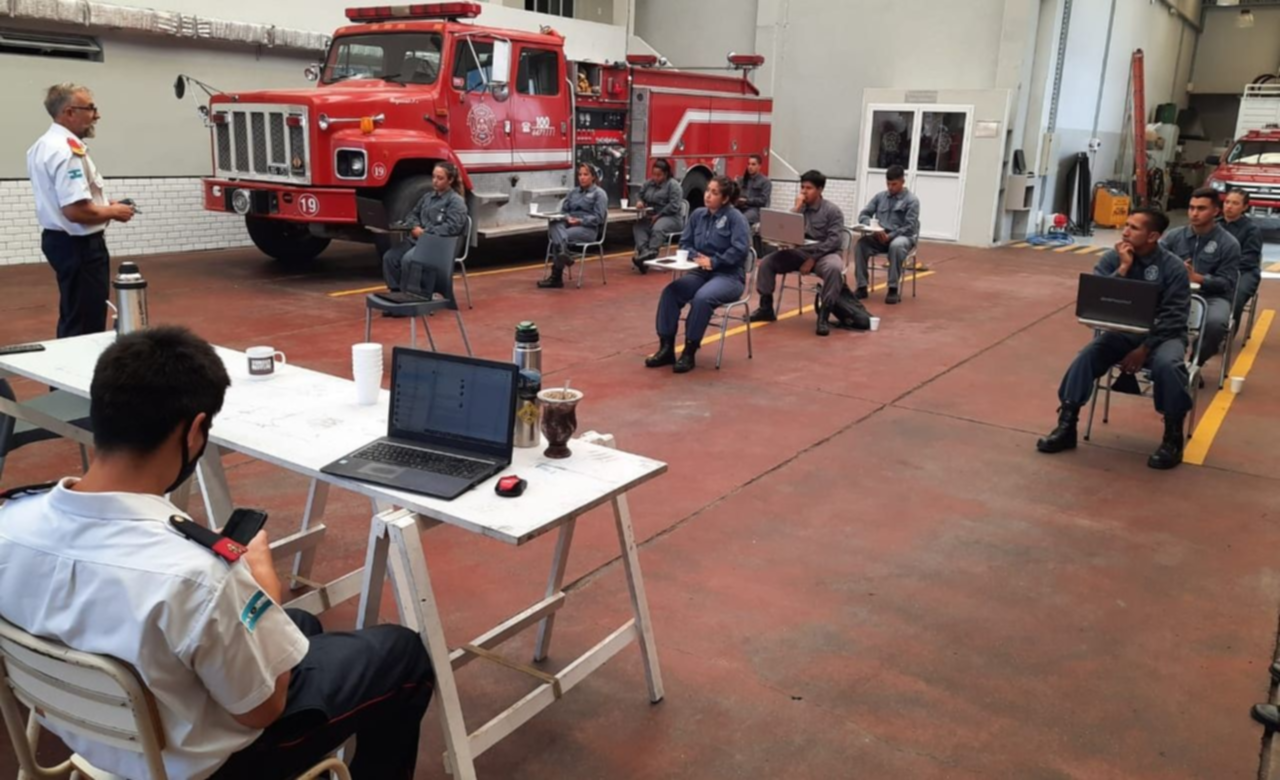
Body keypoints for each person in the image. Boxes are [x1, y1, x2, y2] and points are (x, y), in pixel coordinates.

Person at [0, 327, 434, 780]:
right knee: (402, 652)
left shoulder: (9, 523)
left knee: (302, 629)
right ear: (194, 431)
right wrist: (261, 590)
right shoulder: (197, 574)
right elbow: (263, 710)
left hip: (89, 737)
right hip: (204, 765)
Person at [1036, 208, 1192, 470]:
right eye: (1126, 225)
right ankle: (1067, 427)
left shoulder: (1172, 267)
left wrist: (1145, 348)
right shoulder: (1114, 258)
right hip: (1123, 333)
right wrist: (1122, 268)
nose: (1125, 231)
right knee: (1085, 358)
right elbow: (1098, 301)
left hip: (1163, 336)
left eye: (1134, 227)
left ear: (1153, 235)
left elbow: (1175, 317)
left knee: (1169, 365)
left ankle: (1172, 439)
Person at [26, 83, 134, 339]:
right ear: (69, 112)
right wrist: (114, 212)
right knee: (85, 326)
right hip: (80, 247)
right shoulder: (67, 151)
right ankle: (76, 377)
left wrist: (104, 207)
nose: (96, 115)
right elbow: (75, 212)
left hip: (62, 243)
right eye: (91, 108)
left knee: (75, 315)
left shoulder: (42, 146)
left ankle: (63, 377)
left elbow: (65, 202)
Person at [645, 175, 750, 374]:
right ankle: (666, 348)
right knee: (671, 292)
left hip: (728, 276)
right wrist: (695, 257)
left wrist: (714, 261)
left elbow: (740, 249)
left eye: (714, 193)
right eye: (707, 190)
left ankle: (689, 350)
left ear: (726, 198)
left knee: (702, 298)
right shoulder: (698, 215)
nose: (708, 196)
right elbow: (685, 243)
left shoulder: (736, 218)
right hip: (700, 272)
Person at [747, 169, 846, 337]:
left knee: (834, 268)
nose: (804, 192)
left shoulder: (832, 211)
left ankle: (824, 314)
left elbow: (834, 241)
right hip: (800, 252)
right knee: (766, 263)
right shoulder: (800, 208)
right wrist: (797, 208)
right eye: (802, 187)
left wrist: (813, 259)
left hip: (824, 254)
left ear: (820, 189)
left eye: (809, 188)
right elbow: (783, 229)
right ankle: (766, 308)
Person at [1159, 187, 1240, 364]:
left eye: (1201, 208)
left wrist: (1198, 278)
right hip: (1174, 293)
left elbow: (1227, 283)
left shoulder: (1228, 243)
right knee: (1146, 311)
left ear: (1216, 211)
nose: (1194, 213)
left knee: (1216, 324)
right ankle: (1165, 361)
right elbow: (1155, 263)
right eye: (1191, 208)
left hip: (1212, 296)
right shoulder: (1173, 236)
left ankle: (1195, 362)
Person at [382, 161, 468, 293]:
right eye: (433, 177)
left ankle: (411, 297)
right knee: (390, 257)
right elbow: (412, 214)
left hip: (437, 244)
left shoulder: (456, 201)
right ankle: (397, 293)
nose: (435, 181)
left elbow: (452, 228)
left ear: (450, 180)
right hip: (417, 241)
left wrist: (425, 233)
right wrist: (414, 225)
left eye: (440, 178)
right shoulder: (428, 197)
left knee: (408, 260)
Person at [853, 165, 920, 305]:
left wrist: (891, 236)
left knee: (896, 246)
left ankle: (893, 288)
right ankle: (861, 286)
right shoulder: (880, 197)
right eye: (888, 183)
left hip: (902, 238)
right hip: (879, 236)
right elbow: (864, 214)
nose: (890, 187)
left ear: (903, 181)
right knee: (861, 244)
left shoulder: (912, 201)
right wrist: (873, 227)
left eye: (894, 184)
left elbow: (909, 227)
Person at [539, 163, 608, 289]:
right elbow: (564, 210)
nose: (582, 178)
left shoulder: (599, 194)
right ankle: (563, 252)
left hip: (587, 229)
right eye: (580, 174)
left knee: (558, 238)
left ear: (593, 177)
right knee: (554, 222)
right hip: (569, 223)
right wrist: (566, 217)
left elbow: (598, 218)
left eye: (585, 175)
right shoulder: (573, 192)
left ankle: (556, 276)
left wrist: (580, 221)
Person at [631, 158, 685, 272]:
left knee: (658, 227)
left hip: (671, 217)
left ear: (665, 174)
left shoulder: (673, 185)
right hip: (651, 215)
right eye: (654, 174)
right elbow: (640, 194)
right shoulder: (649, 183)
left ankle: (652, 251)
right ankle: (644, 253)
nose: (656, 178)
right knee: (639, 226)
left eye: (659, 175)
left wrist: (659, 215)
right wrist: (640, 201)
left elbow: (674, 205)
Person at [1219, 188, 1262, 325]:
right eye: (1227, 202)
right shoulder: (1213, 225)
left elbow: (1249, 259)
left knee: (1235, 298)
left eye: (1235, 203)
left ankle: (1227, 334)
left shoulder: (1251, 230)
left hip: (1243, 272)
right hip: (1214, 269)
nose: (1229, 206)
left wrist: (1224, 268)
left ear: (1244, 207)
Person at [737, 153, 773, 227]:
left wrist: (747, 201)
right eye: (749, 164)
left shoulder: (765, 182)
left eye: (753, 164)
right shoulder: (742, 180)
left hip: (755, 210)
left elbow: (763, 200)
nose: (750, 167)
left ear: (759, 166)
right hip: (740, 207)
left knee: (741, 219)